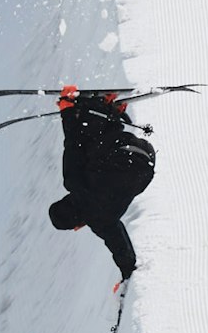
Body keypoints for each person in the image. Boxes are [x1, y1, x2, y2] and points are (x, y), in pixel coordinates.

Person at [47, 85, 155, 282]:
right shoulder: (74, 183)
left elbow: (121, 250)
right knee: (85, 148)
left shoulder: (101, 223)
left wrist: (127, 275)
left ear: (78, 226)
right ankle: (101, 109)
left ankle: (105, 112)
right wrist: (67, 111)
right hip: (123, 148)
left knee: (97, 163)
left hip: (145, 163)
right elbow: (72, 144)